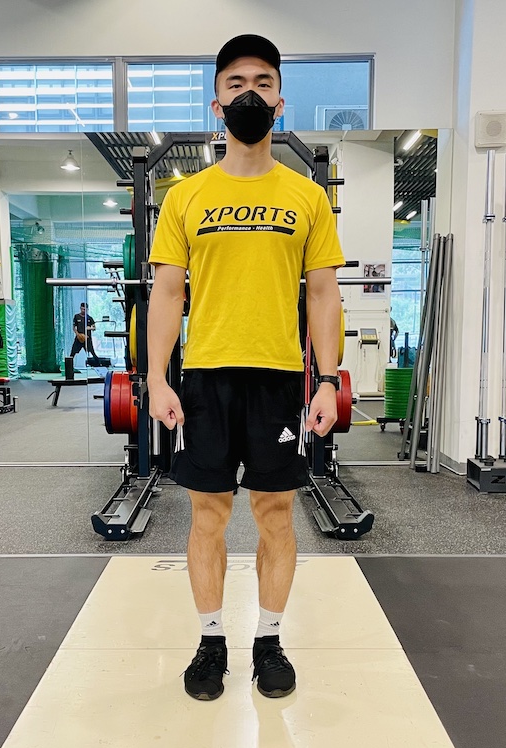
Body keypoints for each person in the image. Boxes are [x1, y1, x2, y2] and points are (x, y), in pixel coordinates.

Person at [147, 34, 345, 702]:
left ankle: (268, 641)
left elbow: (323, 293)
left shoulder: (307, 197)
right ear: (217, 104)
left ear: (280, 101)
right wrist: (157, 377)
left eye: (263, 82)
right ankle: (211, 642)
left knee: (276, 515)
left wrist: (327, 380)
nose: (249, 94)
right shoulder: (186, 197)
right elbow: (167, 292)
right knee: (207, 516)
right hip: (206, 376)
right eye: (236, 84)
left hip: (278, 378)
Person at [70, 302, 107, 367]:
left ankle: (99, 365)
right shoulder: (76, 316)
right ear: (80, 308)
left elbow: (94, 328)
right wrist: (78, 334)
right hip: (79, 338)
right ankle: (69, 366)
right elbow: (74, 327)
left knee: (92, 352)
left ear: (87, 309)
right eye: (82, 309)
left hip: (87, 338)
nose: (83, 310)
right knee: (73, 352)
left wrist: (89, 328)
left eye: (84, 309)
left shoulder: (89, 318)